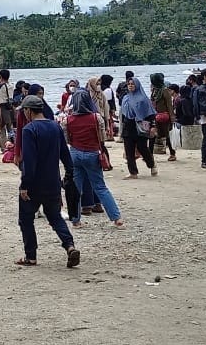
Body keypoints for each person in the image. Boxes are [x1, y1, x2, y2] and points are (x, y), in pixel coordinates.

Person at [16, 95, 81, 268]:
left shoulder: (29, 130)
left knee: (26, 219)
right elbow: (65, 154)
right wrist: (69, 172)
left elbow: (29, 161)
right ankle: (69, 246)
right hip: (53, 182)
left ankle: (31, 256)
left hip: (35, 184)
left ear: (29, 111)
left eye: (24, 111)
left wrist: (25, 185)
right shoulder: (55, 126)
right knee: (54, 216)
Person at [61, 88, 122, 229]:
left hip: (75, 153)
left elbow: (67, 140)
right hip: (92, 153)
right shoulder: (96, 118)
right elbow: (102, 138)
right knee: (100, 187)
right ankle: (116, 218)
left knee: (76, 189)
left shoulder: (68, 120)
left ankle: (76, 220)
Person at [119, 78, 158, 178]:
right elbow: (123, 114)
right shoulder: (125, 98)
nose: (131, 86)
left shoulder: (143, 99)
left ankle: (152, 164)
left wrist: (153, 126)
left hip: (141, 126)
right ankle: (133, 172)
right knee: (129, 150)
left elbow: (150, 114)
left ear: (137, 85)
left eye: (133, 84)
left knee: (142, 148)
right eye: (129, 84)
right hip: (128, 125)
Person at [150, 73, 176, 161]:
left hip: (164, 116)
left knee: (166, 135)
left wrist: (172, 117)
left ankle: (172, 153)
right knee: (154, 135)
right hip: (156, 116)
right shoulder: (155, 90)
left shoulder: (164, 91)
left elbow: (169, 105)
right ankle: (150, 154)